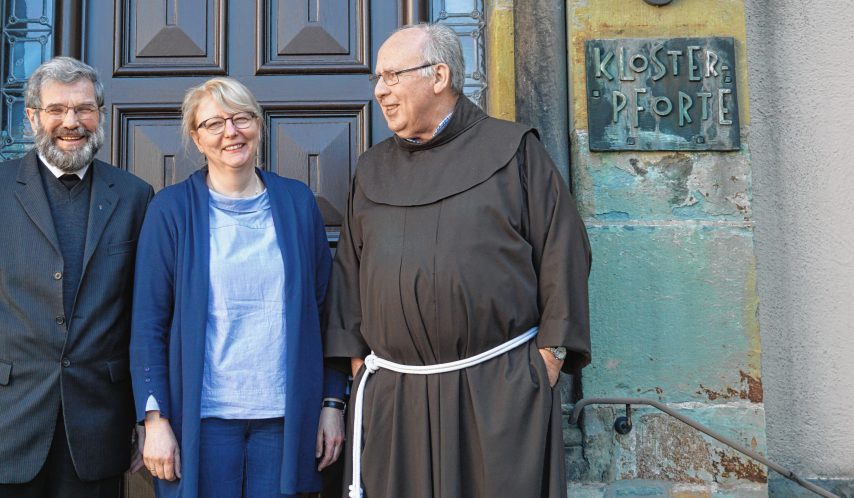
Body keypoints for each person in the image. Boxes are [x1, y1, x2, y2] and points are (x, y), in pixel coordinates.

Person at [326, 24, 592, 498]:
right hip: (396, 398)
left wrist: (548, 360)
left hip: (500, 392)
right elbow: (349, 274)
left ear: (439, 76)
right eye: (377, 78)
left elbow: (563, 252)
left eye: (392, 75)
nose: (380, 90)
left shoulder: (515, 151)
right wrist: (359, 369)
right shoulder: (371, 168)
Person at [0, 56, 153, 497]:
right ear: (32, 117)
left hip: (97, 429)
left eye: (84, 108)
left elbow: (144, 318)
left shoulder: (135, 196)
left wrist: (147, 415)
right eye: (56, 109)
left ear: (100, 114)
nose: (71, 122)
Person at [130, 77, 347, 498]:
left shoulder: (298, 203)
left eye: (241, 118)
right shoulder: (171, 211)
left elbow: (327, 313)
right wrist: (154, 420)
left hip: (285, 420)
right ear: (197, 138)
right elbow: (148, 325)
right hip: (202, 421)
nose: (231, 132)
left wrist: (332, 403)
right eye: (214, 123)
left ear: (258, 125)